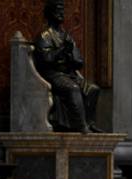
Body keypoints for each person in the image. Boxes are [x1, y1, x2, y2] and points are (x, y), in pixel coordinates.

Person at [34, 0, 102, 133]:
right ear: (50, 13)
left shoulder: (67, 37)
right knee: (73, 88)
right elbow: (45, 60)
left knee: (93, 89)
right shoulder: (44, 37)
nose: (61, 13)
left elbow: (79, 62)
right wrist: (63, 51)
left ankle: (90, 122)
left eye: (62, 10)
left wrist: (71, 56)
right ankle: (81, 126)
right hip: (52, 74)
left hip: (69, 74)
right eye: (57, 9)